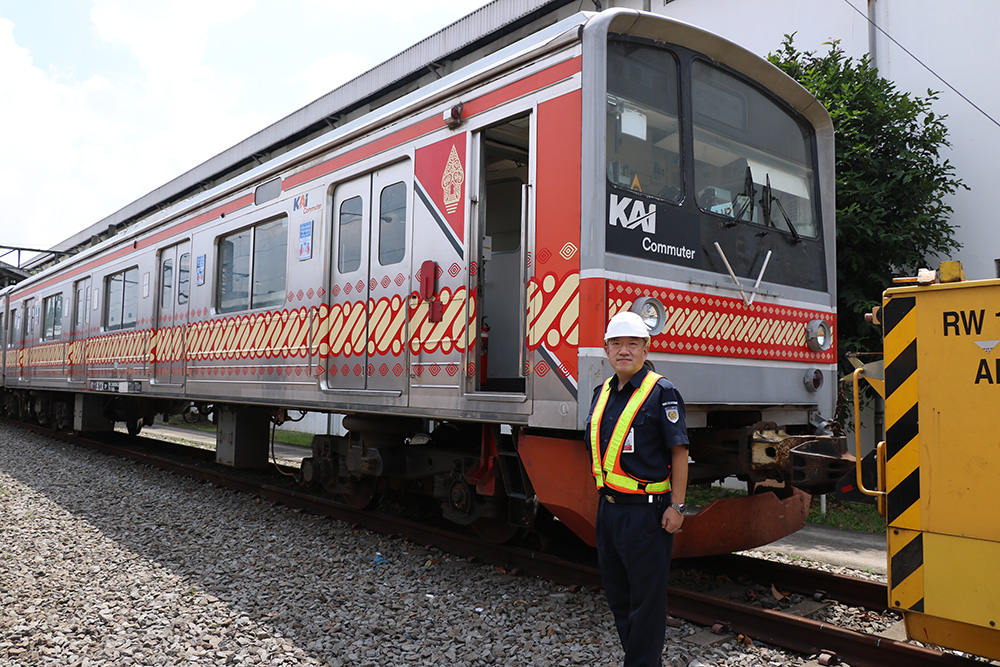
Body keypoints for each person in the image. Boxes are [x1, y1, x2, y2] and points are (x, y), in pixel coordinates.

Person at [587, 311, 690, 667]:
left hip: (647, 512)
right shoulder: (601, 393)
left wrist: (677, 507)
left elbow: (680, 452)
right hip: (610, 510)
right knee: (618, 596)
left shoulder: (662, 392)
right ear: (606, 350)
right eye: (616, 343)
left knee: (646, 602)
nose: (624, 350)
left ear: (646, 349)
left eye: (633, 343)